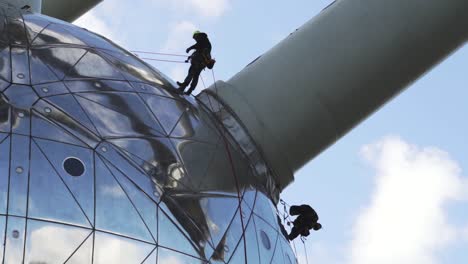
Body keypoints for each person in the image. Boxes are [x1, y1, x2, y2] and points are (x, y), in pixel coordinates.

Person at [177, 31, 212, 95]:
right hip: (203, 63)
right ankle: (190, 90)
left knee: (191, 72)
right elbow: (199, 49)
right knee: (196, 75)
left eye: (195, 38)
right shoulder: (206, 42)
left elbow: (197, 46)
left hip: (198, 60)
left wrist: (189, 48)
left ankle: (183, 87)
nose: (195, 39)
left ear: (196, 35)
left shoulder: (202, 38)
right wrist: (190, 56)